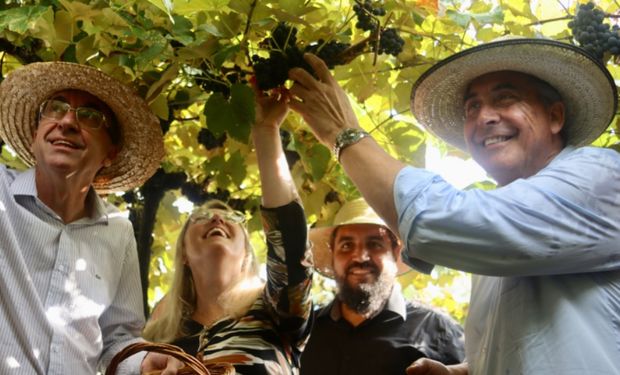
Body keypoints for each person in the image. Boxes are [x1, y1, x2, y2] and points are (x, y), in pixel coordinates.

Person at [286, 37, 620, 374]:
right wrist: (461, 372)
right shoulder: (495, 238)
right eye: (471, 107)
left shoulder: (601, 175)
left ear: (555, 116)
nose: (485, 116)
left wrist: (343, 133)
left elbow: (442, 219)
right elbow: (533, 349)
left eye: (506, 98)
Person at [0, 61, 177, 373]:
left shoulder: (119, 232)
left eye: (91, 115)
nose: (67, 121)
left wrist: (143, 361)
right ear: (34, 135)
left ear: (111, 154)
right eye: (55, 108)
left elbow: (116, 338)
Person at [142, 82, 313, 374]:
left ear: (247, 253)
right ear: (183, 252)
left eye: (233, 218)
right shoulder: (160, 335)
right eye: (201, 216)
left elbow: (292, 243)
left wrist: (266, 132)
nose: (218, 219)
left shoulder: (273, 308)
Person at [301, 198, 464, 375]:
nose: (360, 257)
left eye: (374, 244)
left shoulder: (438, 331)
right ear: (333, 256)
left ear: (396, 253)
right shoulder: (304, 333)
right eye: (346, 245)